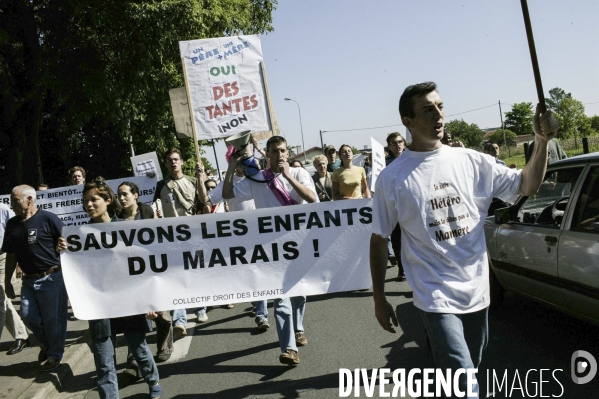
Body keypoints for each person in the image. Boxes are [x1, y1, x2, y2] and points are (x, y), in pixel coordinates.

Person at [370, 82, 557, 397]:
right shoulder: (392, 179)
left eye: (440, 106)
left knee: (468, 370)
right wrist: (379, 298)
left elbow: (526, 185)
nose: (438, 115)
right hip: (434, 294)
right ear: (408, 121)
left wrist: (541, 141)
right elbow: (378, 239)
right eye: (428, 110)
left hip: (475, 289)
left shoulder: (472, 161)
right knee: (462, 377)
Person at [58, 179, 162, 398]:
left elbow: (142, 268)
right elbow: (76, 271)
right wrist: (64, 251)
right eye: (85, 201)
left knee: (140, 350)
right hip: (100, 307)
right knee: (104, 362)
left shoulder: (126, 229)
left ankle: (153, 383)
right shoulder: (78, 235)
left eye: (94, 199)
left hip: (129, 302)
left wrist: (151, 301)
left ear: (107, 200)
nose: (89, 204)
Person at [223, 135, 317, 366]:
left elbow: (312, 198)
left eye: (283, 150)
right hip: (271, 249)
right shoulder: (257, 179)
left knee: (299, 294)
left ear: (288, 152)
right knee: (281, 298)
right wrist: (232, 167)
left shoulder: (299, 173)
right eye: (274, 151)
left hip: (299, 243)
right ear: (267, 154)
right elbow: (227, 195)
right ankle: (289, 349)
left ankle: (298, 328)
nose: (279, 155)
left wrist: (286, 176)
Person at [1, 185, 68, 371]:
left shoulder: (48, 218)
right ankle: (46, 343)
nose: (12, 204)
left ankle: (55, 355)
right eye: (11, 200)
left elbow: (69, 241)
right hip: (28, 281)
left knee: (53, 319)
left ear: (29, 200)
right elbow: (11, 254)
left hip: (51, 277)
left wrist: (64, 245)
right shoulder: (13, 224)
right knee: (27, 315)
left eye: (15, 200)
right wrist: (7, 281)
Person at [197, 156, 265, 327]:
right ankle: (256, 304)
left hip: (259, 232)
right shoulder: (227, 183)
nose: (242, 164)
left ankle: (261, 314)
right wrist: (200, 178)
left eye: (245, 160)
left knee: (257, 272)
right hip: (238, 235)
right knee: (247, 274)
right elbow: (206, 199)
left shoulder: (258, 177)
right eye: (237, 161)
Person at [153, 149, 200, 351]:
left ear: (181, 162)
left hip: (194, 237)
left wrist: (202, 177)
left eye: (176, 159)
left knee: (195, 276)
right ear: (165, 164)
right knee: (177, 279)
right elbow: (152, 208)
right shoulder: (160, 186)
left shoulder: (193, 181)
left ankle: (201, 306)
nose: (173, 163)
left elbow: (203, 206)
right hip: (171, 239)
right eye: (169, 160)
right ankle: (180, 320)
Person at [1, 203, 30, 355]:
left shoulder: (3, 209)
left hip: (2, 258)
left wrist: (19, 261)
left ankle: (21, 335)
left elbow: (17, 234)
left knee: (1, 297)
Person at [384, 132, 407, 281]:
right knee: (397, 240)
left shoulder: (412, 158)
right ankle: (402, 269)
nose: (397, 145)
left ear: (404, 143)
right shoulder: (385, 164)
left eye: (399, 142)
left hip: (411, 206)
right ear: (389, 146)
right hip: (394, 207)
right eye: (393, 143)